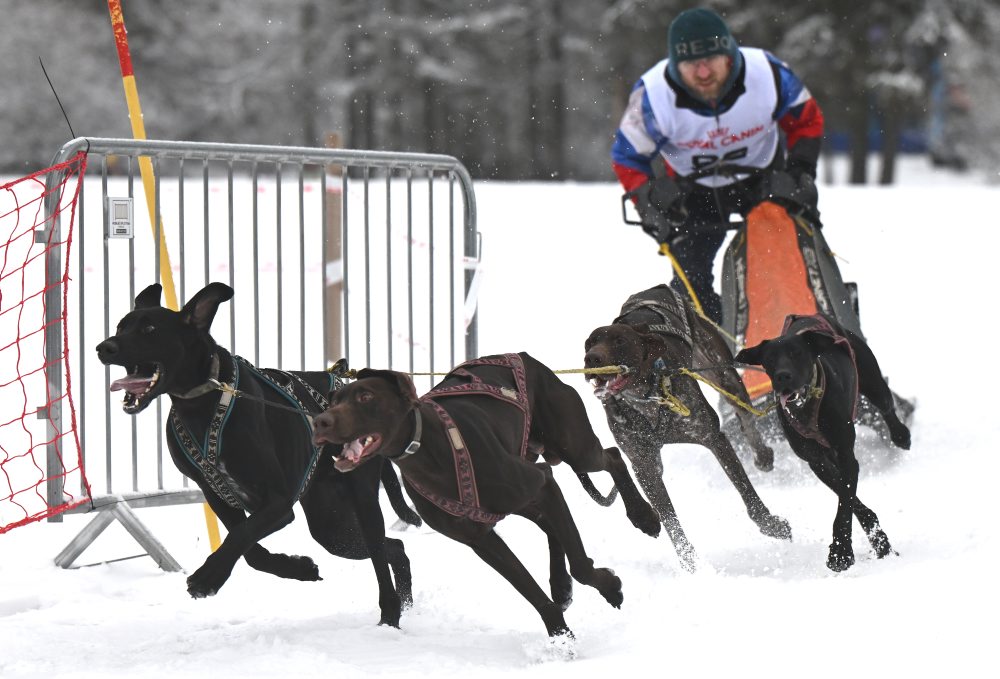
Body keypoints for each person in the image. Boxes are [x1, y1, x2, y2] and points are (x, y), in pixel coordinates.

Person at [612, 7, 824, 325]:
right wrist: (648, 199)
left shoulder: (767, 73)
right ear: (675, 65)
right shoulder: (653, 96)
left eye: (710, 60)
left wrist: (799, 171)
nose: (702, 73)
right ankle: (713, 334)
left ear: (729, 55)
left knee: (782, 257)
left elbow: (806, 121)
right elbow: (627, 155)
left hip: (762, 178)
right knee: (690, 279)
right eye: (690, 65)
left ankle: (796, 327)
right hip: (693, 189)